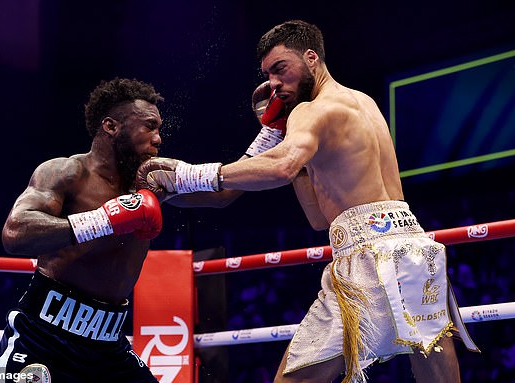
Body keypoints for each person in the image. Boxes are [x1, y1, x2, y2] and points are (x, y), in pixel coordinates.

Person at [135, 20, 479, 383]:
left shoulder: (310, 111)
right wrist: (279, 132)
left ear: (311, 58)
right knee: (435, 371)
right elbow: (318, 216)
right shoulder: (364, 102)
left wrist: (189, 174)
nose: (274, 84)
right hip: (413, 248)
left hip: (367, 257)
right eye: (268, 75)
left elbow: (281, 166)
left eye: (281, 69)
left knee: (292, 379)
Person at [0, 76, 258, 382]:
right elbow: (14, 232)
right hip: (43, 337)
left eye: (159, 128)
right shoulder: (67, 172)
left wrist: (270, 133)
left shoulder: (153, 180)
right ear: (111, 127)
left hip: (107, 345)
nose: (158, 138)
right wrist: (104, 220)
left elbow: (224, 193)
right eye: (149, 126)